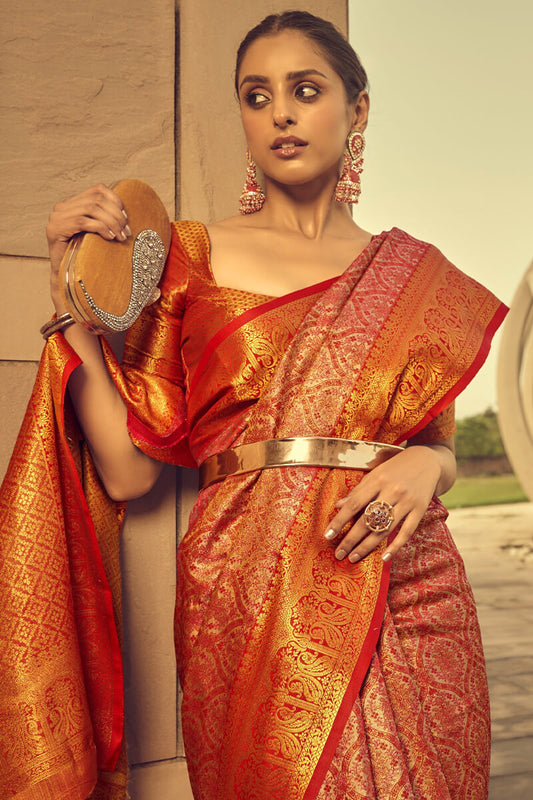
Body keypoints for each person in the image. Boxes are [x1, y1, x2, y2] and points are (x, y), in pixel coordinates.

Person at [0, 10, 507, 800]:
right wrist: (70, 293)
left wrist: (425, 467)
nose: (279, 112)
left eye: (305, 90)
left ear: (357, 110)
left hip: (409, 583)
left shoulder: (416, 277)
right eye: (255, 94)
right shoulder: (188, 256)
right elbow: (131, 474)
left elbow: (435, 445)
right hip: (246, 587)